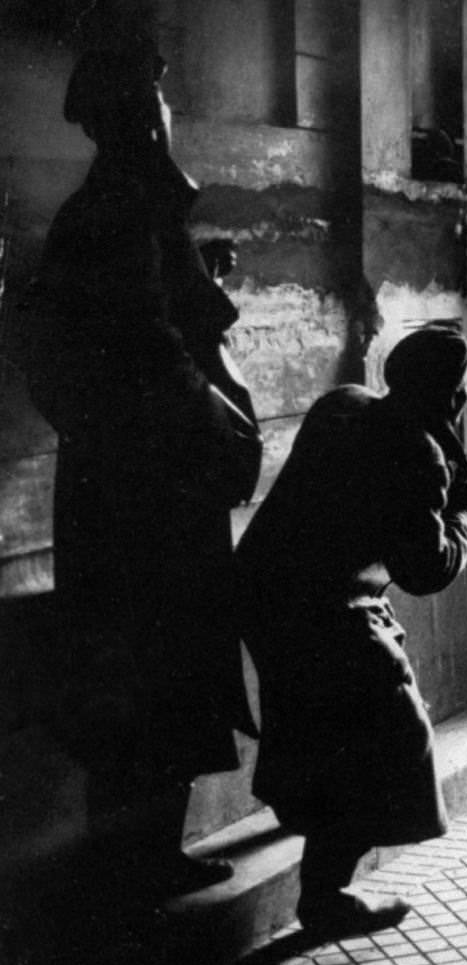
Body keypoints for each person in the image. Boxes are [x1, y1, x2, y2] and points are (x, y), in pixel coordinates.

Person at [21, 35, 262, 895]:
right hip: (150, 492)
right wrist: (224, 426)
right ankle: (138, 864)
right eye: (158, 98)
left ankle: (142, 856)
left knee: (150, 678)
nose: (168, 112)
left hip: (136, 488)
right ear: (136, 113)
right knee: (154, 676)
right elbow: (148, 346)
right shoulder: (121, 209)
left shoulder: (120, 209)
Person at [236, 323, 467, 938]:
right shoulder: (418, 451)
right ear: (454, 395)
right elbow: (424, 570)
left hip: (265, 594)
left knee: (304, 721)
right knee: (391, 741)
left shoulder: (342, 402)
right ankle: (326, 900)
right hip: (332, 610)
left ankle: (302, 813)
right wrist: (463, 511)